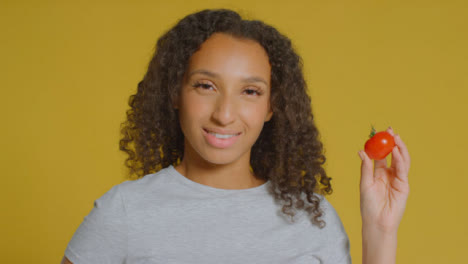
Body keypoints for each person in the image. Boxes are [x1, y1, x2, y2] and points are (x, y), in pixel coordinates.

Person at [61, 8, 410, 264]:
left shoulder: (312, 216)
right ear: (174, 93)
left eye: (251, 92)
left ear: (272, 106)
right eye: (205, 86)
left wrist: (380, 232)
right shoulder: (123, 212)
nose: (224, 114)